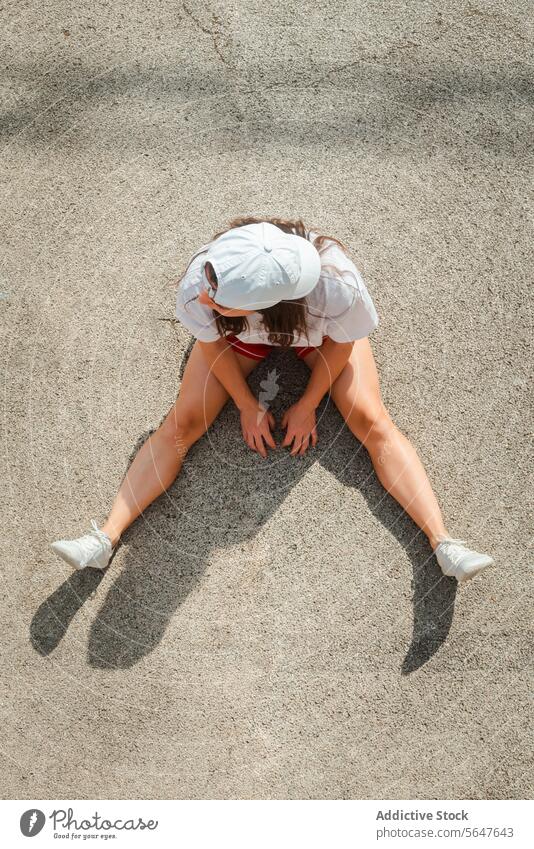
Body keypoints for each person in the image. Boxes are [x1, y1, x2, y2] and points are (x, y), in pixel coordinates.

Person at [50, 216, 494, 582]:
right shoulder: (205, 276)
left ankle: (443, 544)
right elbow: (209, 340)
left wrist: (308, 404)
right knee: (182, 423)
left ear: (268, 303)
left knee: (371, 421)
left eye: (218, 299)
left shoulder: (338, 286)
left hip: (315, 335)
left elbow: (342, 342)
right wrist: (246, 403)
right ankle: (104, 540)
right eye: (209, 284)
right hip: (240, 338)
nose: (203, 294)